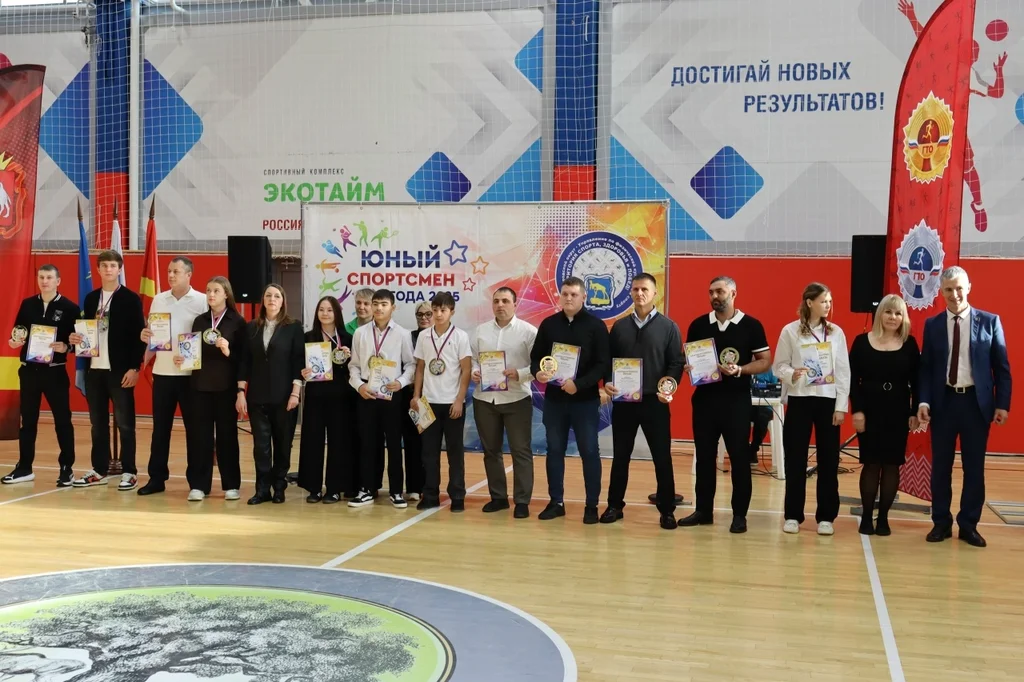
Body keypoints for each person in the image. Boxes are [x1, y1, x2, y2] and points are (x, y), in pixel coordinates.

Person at [918, 266, 1011, 548]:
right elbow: (926, 368)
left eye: (959, 288)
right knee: (940, 468)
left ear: (968, 287)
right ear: (941, 292)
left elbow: (1002, 368)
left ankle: (969, 525)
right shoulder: (933, 325)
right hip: (943, 403)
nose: (955, 294)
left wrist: (1002, 404)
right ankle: (941, 523)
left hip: (975, 405)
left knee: (974, 468)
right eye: (948, 289)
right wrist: (923, 400)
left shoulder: (990, 322)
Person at [677, 276, 771, 533]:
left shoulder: (751, 325)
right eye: (711, 292)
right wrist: (689, 367)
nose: (715, 296)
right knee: (704, 459)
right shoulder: (698, 325)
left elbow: (765, 361)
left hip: (736, 402)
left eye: (720, 291)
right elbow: (690, 358)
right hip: (705, 401)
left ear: (733, 293)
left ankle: (739, 515)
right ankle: (703, 511)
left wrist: (740, 370)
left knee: (739, 459)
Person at [600, 273, 683, 530]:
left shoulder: (669, 327)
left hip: (655, 402)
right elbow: (609, 361)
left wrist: (669, 387)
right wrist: (608, 381)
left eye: (644, 289)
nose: (639, 293)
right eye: (635, 289)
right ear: (631, 292)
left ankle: (667, 510)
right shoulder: (619, 327)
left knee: (662, 457)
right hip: (624, 402)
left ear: (654, 293)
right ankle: (614, 506)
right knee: (620, 456)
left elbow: (676, 363)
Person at [530, 277, 610, 524]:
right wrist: (538, 373)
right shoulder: (549, 324)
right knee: (554, 450)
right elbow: (536, 358)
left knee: (589, 451)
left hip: (585, 401)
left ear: (584, 297)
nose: (568, 298)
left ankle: (591, 505)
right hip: (554, 401)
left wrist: (580, 384)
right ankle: (556, 502)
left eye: (574, 294)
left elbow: (602, 364)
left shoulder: (596, 326)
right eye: (565, 294)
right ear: (560, 296)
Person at [773, 282, 851, 536]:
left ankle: (826, 517)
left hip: (828, 401)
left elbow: (843, 371)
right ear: (809, 302)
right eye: (823, 301)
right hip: (800, 398)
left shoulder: (836, 332)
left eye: (830, 301)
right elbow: (779, 366)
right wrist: (792, 373)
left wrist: (841, 406)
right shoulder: (790, 331)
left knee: (829, 460)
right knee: (795, 459)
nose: (828, 305)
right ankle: (792, 515)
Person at [69, 250, 146, 491]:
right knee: (97, 425)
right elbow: (86, 331)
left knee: (125, 424)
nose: (108, 269)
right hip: (95, 371)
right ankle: (99, 470)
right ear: (98, 270)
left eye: (113, 265)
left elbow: (139, 337)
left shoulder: (130, 299)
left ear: (120, 269)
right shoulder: (91, 298)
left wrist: (134, 368)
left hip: (120, 371)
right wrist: (75, 338)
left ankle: (129, 471)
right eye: (104, 266)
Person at [2, 265, 80, 487]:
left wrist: (66, 347)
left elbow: (79, 342)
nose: (45, 281)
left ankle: (67, 468)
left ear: (58, 281)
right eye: (41, 277)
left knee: (62, 421)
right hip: (29, 371)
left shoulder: (70, 308)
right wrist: (14, 342)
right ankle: (24, 468)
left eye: (49, 277)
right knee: (28, 421)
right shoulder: (28, 304)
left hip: (55, 372)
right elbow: (19, 332)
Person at [849, 294, 920, 536]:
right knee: (871, 464)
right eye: (888, 312)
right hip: (869, 410)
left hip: (898, 411)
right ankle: (867, 516)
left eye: (898, 313)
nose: (893, 317)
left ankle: (883, 519)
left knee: (891, 464)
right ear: (880, 314)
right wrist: (857, 410)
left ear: (903, 318)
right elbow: (852, 380)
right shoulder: (861, 342)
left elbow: (917, 381)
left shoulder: (910, 344)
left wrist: (914, 411)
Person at [138, 257, 208, 496]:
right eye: (169, 271)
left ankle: (197, 483)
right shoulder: (159, 299)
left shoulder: (202, 300)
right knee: (160, 430)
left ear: (189, 274)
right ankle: (156, 479)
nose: (170, 275)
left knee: (195, 430)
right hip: (162, 373)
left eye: (176, 271)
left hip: (190, 376)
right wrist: (145, 336)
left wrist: (190, 358)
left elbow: (206, 337)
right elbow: (154, 334)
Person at [471, 286, 537, 519]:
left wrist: (519, 374)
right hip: (484, 399)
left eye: (505, 301)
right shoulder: (480, 331)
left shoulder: (529, 332)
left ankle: (522, 501)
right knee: (491, 451)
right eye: (496, 301)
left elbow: (539, 365)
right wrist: (475, 371)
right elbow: (472, 360)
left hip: (516, 398)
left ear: (515, 304)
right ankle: (498, 498)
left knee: (520, 451)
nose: (500, 305)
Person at [347, 288, 416, 509]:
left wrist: (401, 382)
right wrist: (359, 386)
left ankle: (396, 491)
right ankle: (367, 489)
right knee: (368, 443)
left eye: (383, 304)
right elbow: (354, 366)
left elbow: (411, 364)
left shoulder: (402, 334)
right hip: (367, 393)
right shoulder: (360, 333)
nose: (378, 308)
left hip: (392, 395)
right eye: (375, 303)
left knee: (394, 444)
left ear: (393, 307)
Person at [236, 284, 304, 505]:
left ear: (283, 301)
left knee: (283, 445)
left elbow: (298, 361)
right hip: (257, 397)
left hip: (285, 397)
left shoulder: (293, 327)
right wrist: (240, 392)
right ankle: (262, 489)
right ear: (263, 300)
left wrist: (295, 393)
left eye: (276, 296)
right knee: (261, 447)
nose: (272, 299)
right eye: (268, 295)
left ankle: (279, 487)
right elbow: (244, 362)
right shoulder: (251, 327)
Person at [187, 276, 246, 501]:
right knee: (200, 437)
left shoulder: (237, 321)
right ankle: (199, 485)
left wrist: (229, 351)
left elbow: (244, 360)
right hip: (199, 387)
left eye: (216, 291)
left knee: (227, 437)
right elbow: (192, 351)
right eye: (208, 290)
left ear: (226, 294)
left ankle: (231, 485)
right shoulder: (200, 320)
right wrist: (183, 358)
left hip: (225, 388)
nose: (211, 295)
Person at [412, 292, 472, 511]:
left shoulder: (460, 336)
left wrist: (459, 400)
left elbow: (466, 370)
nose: (438, 314)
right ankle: (430, 495)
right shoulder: (423, 336)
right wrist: (416, 395)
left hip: (452, 403)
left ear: (451, 312)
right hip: (428, 403)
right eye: (435, 310)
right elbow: (420, 368)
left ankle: (457, 496)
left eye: (443, 310)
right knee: (429, 453)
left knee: (455, 453)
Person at [298, 295, 355, 503]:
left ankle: (334, 488)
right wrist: (303, 372)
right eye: (321, 309)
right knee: (312, 440)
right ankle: (313, 487)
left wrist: (348, 358)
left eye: (329, 310)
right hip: (315, 396)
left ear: (337, 313)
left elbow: (354, 370)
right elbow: (299, 365)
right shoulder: (308, 337)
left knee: (339, 442)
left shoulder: (347, 338)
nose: (325, 313)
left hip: (340, 397)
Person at [399, 301, 433, 502]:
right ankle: (413, 487)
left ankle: (429, 486)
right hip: (410, 397)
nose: (424, 318)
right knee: (411, 442)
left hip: (432, 396)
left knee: (428, 444)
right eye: (420, 314)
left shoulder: (439, 337)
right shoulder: (408, 337)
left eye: (428, 314)